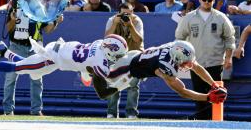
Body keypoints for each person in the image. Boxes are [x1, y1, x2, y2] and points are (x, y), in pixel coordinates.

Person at [0, 34, 129, 99]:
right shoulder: (101, 63)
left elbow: (93, 67)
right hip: (53, 57)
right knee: (18, 68)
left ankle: (4, 51)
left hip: (59, 52)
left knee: (31, 71)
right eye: (118, 54)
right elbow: (103, 94)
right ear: (110, 50)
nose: (118, 58)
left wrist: (88, 72)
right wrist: (121, 85)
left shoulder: (100, 43)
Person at [89, 40, 227, 107]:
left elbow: (196, 67)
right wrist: (207, 98)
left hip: (137, 57)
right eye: (185, 63)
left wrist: (213, 84)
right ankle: (88, 68)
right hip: (128, 67)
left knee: (109, 82)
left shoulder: (176, 48)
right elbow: (182, 91)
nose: (188, 65)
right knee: (107, 80)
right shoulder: (166, 66)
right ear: (176, 59)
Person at [175, 0, 235, 120]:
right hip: (195, 64)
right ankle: (201, 123)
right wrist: (181, 58)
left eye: (210, 0)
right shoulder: (189, 17)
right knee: (199, 95)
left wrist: (229, 57)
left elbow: (230, 38)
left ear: (214, 1)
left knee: (217, 95)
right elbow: (179, 37)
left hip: (215, 62)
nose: (207, 2)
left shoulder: (221, 17)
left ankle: (215, 122)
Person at [104, 2, 143, 119]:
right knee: (113, 84)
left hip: (134, 55)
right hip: (117, 56)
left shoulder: (137, 21)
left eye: (128, 14)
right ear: (118, 13)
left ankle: (131, 113)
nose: (126, 16)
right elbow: (106, 39)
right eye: (123, 14)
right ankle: (111, 113)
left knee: (133, 85)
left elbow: (138, 40)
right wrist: (115, 24)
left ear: (133, 13)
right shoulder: (112, 20)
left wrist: (130, 25)